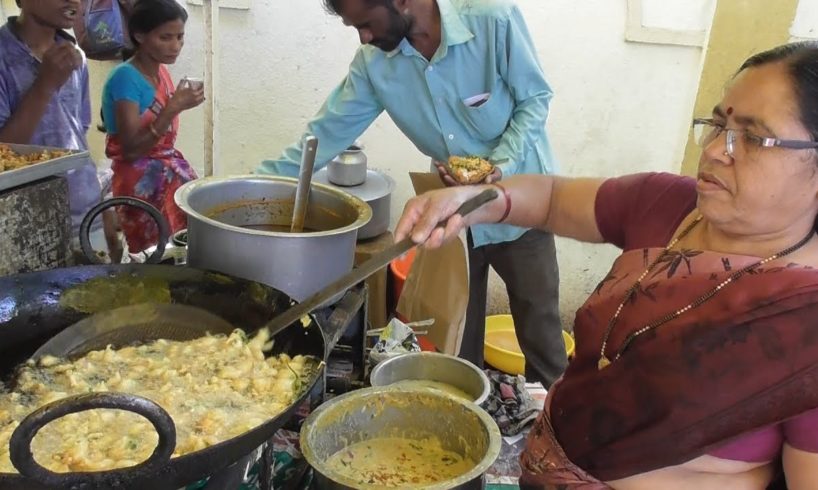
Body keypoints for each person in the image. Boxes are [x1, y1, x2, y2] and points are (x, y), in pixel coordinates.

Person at [396, 41, 818, 489]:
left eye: (751, 137)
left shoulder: (805, 319)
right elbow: (553, 200)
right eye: (716, 124)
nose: (715, 150)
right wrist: (473, 201)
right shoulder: (668, 206)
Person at [258, 0, 565, 386]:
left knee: (541, 334)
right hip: (457, 218)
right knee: (457, 341)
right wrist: (255, 188)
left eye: (367, 24)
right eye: (357, 29)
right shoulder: (374, 64)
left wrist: (499, 165)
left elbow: (535, 98)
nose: (364, 38)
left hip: (522, 204)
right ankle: (472, 429)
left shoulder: (491, 19)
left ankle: (559, 433)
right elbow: (322, 137)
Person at [0, 0, 105, 253]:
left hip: (86, 216)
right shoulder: (4, 58)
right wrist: (46, 85)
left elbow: (78, 133)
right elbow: (3, 153)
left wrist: (103, 208)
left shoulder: (72, 52)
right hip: (22, 226)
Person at [101, 0, 203, 254]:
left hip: (167, 177)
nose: (175, 46)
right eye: (165, 37)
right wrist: (172, 107)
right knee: (152, 257)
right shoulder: (125, 78)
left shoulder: (161, 72)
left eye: (180, 37)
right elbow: (132, 150)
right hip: (139, 186)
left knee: (178, 252)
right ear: (140, 36)